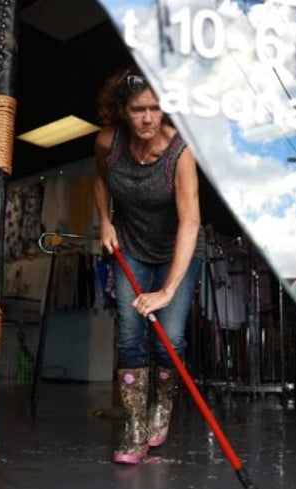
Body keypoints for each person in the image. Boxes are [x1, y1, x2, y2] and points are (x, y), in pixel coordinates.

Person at [93, 66, 204, 465]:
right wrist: (105, 221)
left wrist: (167, 291)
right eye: (139, 109)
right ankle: (135, 425)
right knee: (128, 335)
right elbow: (101, 182)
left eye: (156, 109)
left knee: (168, 340)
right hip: (132, 250)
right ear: (122, 110)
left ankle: (162, 408)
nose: (147, 119)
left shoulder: (180, 152)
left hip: (179, 251)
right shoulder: (108, 143)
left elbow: (190, 222)